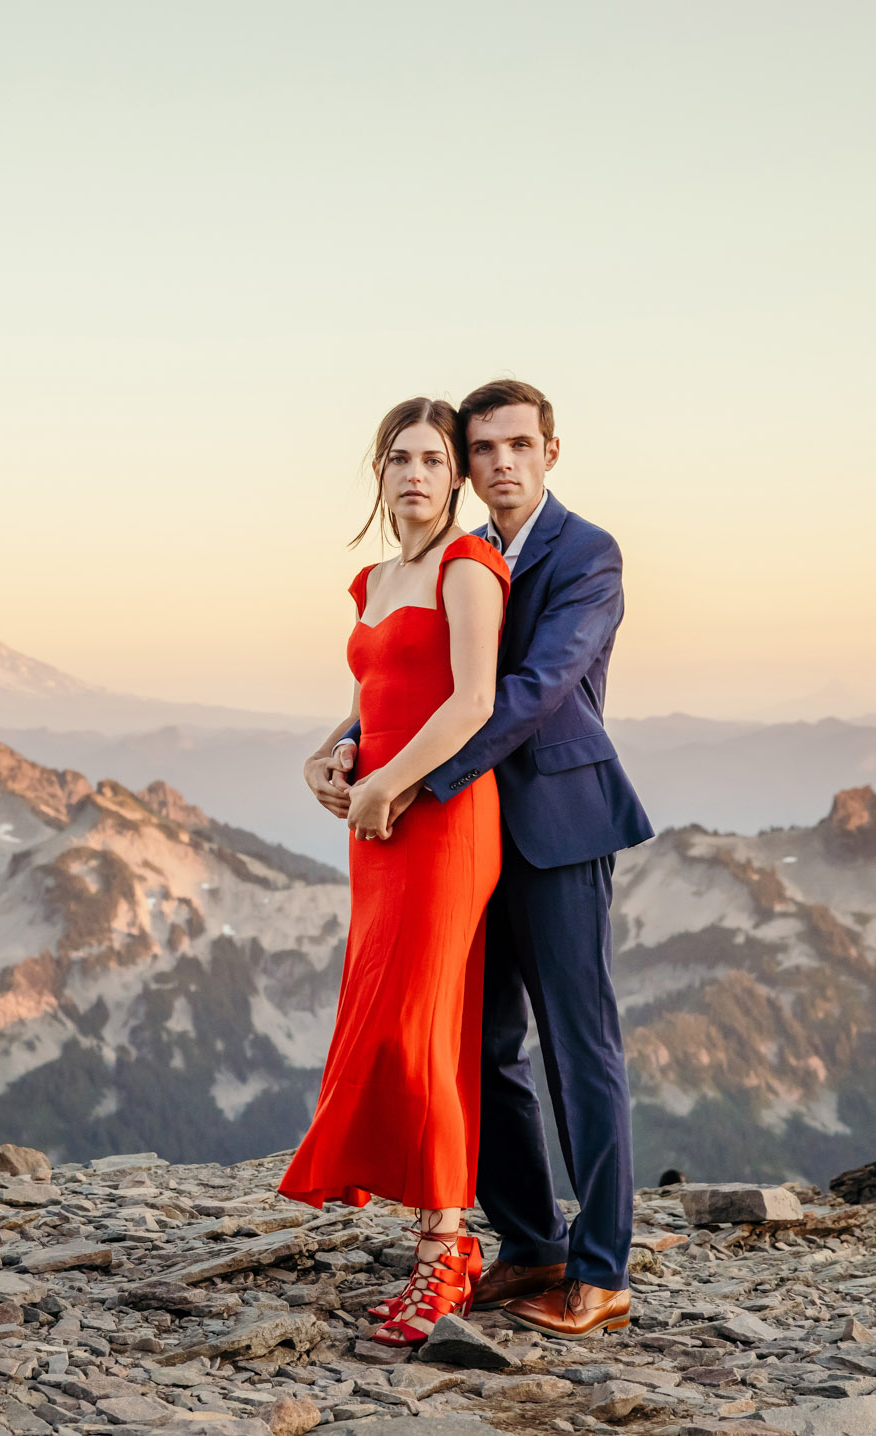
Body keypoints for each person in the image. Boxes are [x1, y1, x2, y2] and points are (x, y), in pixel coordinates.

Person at [306, 378, 653, 1340]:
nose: (500, 461)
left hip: (556, 823)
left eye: (518, 445)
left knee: (579, 1049)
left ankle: (602, 1270)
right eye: (484, 447)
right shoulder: (461, 555)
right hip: (471, 828)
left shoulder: (585, 553)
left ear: (549, 452)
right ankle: (530, 1241)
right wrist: (351, 747)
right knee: (485, 1047)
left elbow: (532, 689)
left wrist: (408, 781)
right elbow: (417, 677)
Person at [278, 397, 510, 1346]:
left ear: (455, 476)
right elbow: (376, 691)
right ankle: (437, 1235)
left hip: (442, 820)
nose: (415, 474)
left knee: (423, 1029)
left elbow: (472, 703)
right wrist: (328, 755)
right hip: (379, 825)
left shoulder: (468, 567)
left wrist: (386, 789)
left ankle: (447, 1251)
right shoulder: (373, 580)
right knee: (389, 1018)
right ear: (378, 473)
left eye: (433, 459)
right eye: (399, 459)